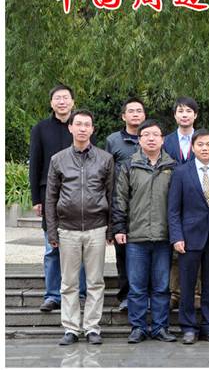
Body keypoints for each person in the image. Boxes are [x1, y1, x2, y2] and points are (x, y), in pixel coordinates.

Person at [45, 109, 115, 346]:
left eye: (87, 125)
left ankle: (92, 327)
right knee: (69, 283)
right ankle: (71, 328)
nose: (83, 128)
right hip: (68, 229)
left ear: (93, 129)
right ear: (71, 128)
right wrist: (52, 231)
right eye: (79, 124)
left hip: (96, 227)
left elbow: (111, 195)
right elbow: (50, 197)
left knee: (95, 281)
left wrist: (110, 228)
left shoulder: (105, 159)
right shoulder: (58, 159)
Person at [112, 120, 177, 344]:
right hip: (136, 236)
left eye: (155, 135)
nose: (151, 138)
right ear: (139, 140)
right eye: (146, 135)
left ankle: (160, 327)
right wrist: (119, 227)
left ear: (162, 139)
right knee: (137, 287)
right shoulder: (129, 165)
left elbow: (177, 203)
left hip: (163, 237)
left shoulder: (172, 166)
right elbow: (120, 198)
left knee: (161, 287)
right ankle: (138, 327)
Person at [169, 129, 209, 345]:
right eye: (200, 145)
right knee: (187, 285)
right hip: (189, 238)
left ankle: (208, 326)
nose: (205, 148)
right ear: (193, 148)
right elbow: (173, 210)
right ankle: (188, 327)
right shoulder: (181, 172)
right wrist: (176, 236)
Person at [29, 84, 86, 312]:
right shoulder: (40, 129)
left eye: (66, 98)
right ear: (51, 103)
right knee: (52, 247)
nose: (62, 102)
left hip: (79, 194)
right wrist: (36, 198)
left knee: (80, 247)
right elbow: (35, 164)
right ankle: (53, 295)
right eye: (57, 98)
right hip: (49, 194)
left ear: (73, 101)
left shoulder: (81, 125)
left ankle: (80, 293)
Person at [106, 97, 146, 313]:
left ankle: (147, 295)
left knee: (147, 254)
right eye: (131, 111)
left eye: (139, 111)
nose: (135, 114)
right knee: (123, 254)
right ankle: (125, 296)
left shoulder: (152, 137)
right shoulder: (113, 140)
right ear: (123, 116)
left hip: (147, 207)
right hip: (121, 205)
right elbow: (108, 174)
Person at [163, 96, 202, 310]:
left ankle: (196, 293)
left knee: (198, 248)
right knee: (176, 250)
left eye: (189, 111)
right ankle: (175, 293)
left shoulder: (205, 139)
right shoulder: (166, 141)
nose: (184, 115)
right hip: (172, 199)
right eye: (180, 111)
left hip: (199, 202)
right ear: (175, 115)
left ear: (195, 115)